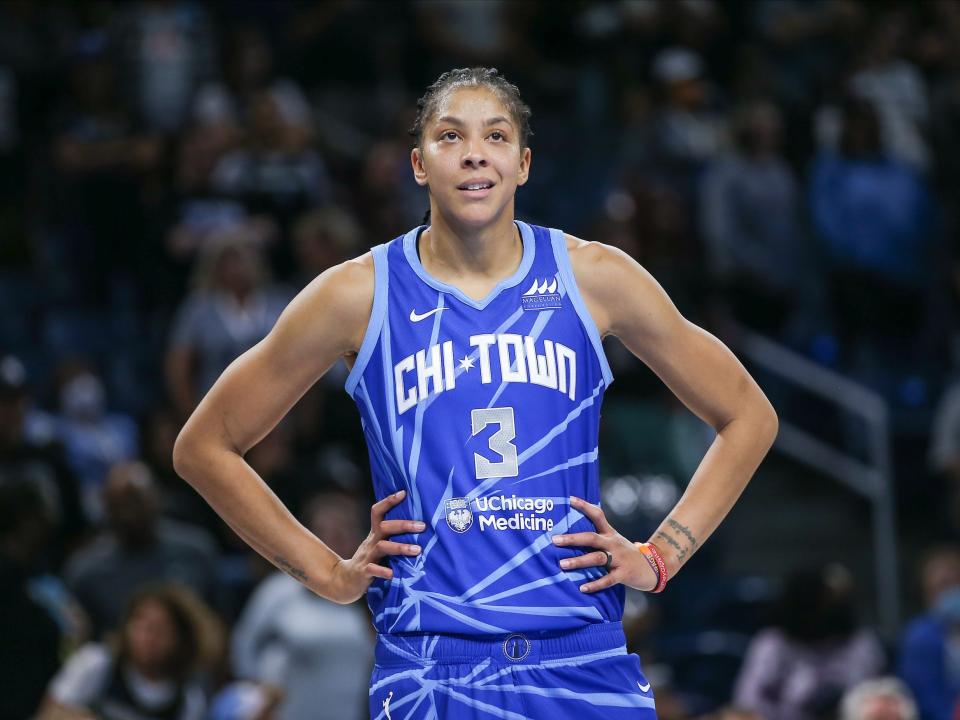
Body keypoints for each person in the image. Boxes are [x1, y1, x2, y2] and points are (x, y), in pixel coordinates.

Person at [173, 67, 778, 718]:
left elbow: (748, 416)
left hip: (582, 660)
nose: (473, 152)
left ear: (522, 164)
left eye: (494, 135)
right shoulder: (356, 294)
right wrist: (326, 573)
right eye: (449, 135)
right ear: (417, 164)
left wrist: (661, 557)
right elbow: (205, 447)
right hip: (434, 668)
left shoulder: (596, 277)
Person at [40, 583, 222, 720]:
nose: (147, 638)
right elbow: (52, 711)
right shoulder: (97, 662)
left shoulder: (187, 698)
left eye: (159, 630)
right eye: (140, 626)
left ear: (179, 640)